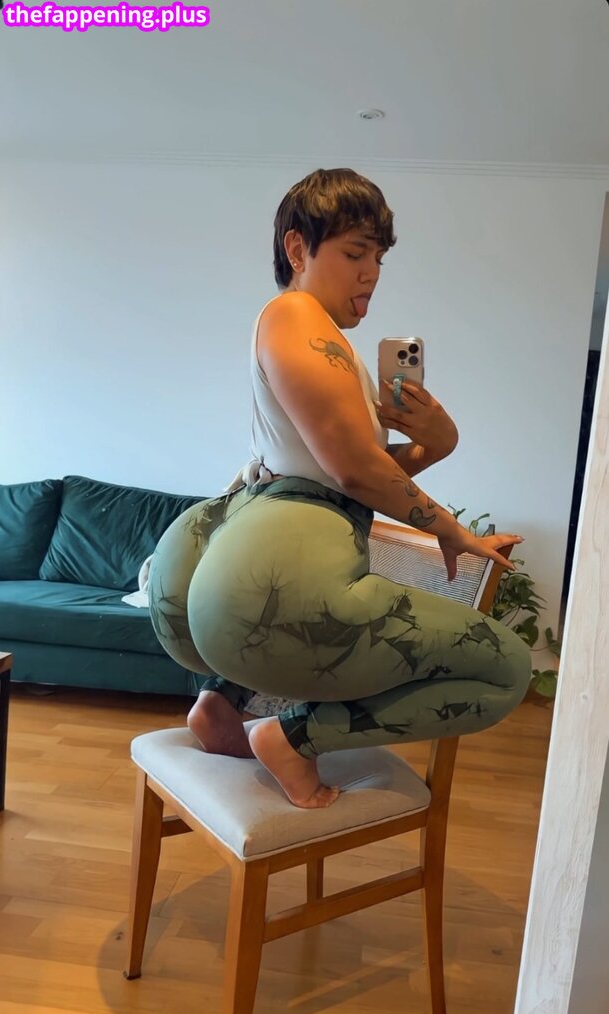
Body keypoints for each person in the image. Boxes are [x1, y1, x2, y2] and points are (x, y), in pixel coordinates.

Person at [148, 167, 531, 810]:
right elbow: (353, 471)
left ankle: (221, 702)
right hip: (270, 566)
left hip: (233, 560)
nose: (371, 274)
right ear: (298, 249)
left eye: (378, 258)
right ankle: (295, 738)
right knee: (506, 668)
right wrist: (450, 529)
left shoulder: (320, 339)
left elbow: (336, 475)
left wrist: (435, 444)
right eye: (355, 254)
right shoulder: (296, 313)